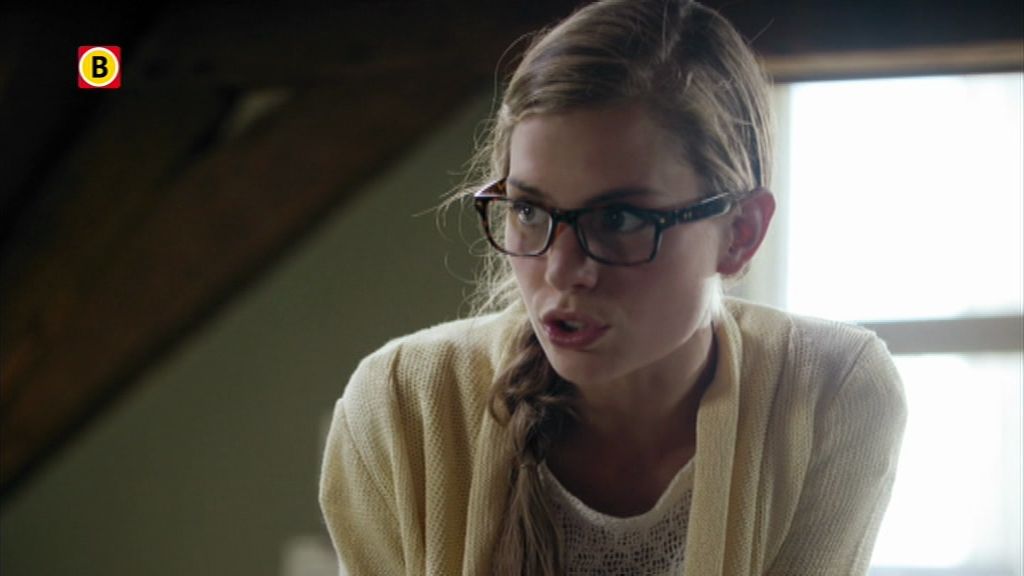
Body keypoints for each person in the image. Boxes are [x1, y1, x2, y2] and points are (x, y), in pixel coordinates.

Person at [319, 0, 907, 574]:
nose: (561, 269)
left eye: (619, 219)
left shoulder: (827, 394)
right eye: (528, 210)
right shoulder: (404, 407)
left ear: (741, 233)